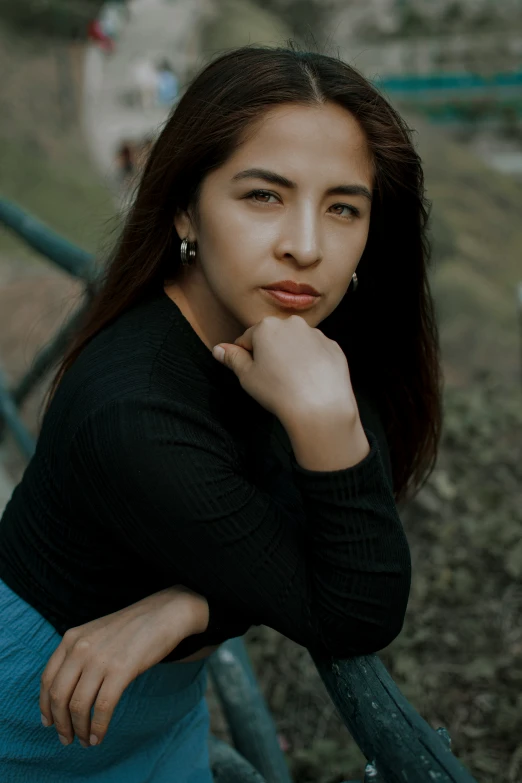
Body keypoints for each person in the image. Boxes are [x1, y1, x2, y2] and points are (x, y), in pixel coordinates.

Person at [0, 44, 442, 781]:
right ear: (185, 206)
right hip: (34, 711)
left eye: (342, 207)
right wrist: (329, 425)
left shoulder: (295, 337)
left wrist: (189, 605)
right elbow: (355, 602)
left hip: (153, 700)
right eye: (263, 196)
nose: (305, 246)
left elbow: (302, 545)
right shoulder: (135, 411)